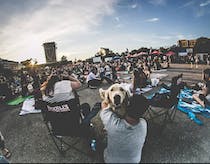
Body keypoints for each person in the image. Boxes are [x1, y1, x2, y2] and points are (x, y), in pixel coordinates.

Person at [100, 94, 149, 163]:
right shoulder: (144, 124)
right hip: (134, 161)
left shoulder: (113, 124)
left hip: (111, 161)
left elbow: (104, 104)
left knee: (103, 138)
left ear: (126, 107)